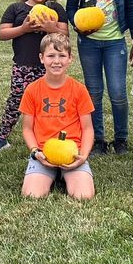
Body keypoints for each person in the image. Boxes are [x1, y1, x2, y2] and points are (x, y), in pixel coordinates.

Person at [65, 0, 133, 156]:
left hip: (115, 41)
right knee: (94, 92)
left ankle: (121, 139)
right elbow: (70, 8)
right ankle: (97, 139)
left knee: (118, 91)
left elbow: (130, 6)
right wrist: (78, 26)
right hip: (89, 43)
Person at [0, 0, 68, 152]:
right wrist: (23, 29)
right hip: (23, 65)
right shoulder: (16, 8)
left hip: (49, 66)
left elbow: (65, 36)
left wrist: (51, 29)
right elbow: (2, 34)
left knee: (49, 102)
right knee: (16, 100)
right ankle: (2, 137)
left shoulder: (55, 9)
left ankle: (48, 136)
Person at [19, 33, 95, 200]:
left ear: (70, 59)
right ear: (41, 58)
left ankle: (65, 175)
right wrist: (35, 152)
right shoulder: (32, 90)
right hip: (43, 153)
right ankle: (51, 173)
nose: (56, 61)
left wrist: (83, 156)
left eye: (62, 56)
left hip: (72, 152)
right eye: (51, 55)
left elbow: (88, 128)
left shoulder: (79, 89)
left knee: (84, 196)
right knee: (32, 195)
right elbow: (27, 129)